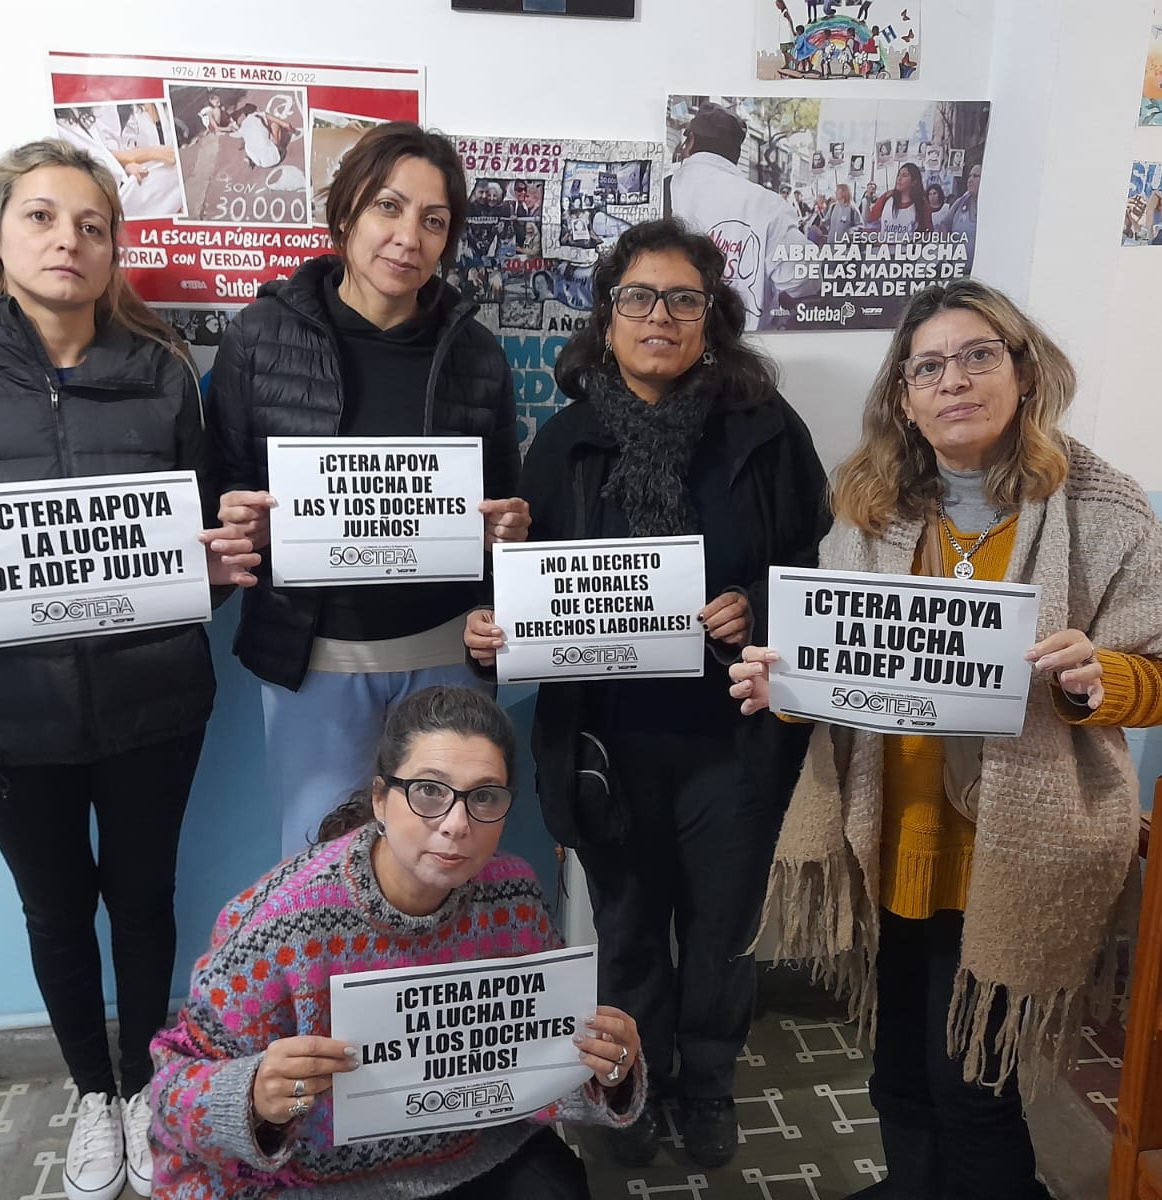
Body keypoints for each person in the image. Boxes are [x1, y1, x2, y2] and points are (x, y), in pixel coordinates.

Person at [729, 278, 1162, 1200]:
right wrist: (784, 690)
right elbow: (833, 671)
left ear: (1024, 371)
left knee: (974, 1091)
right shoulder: (869, 508)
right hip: (892, 835)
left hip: (1018, 849)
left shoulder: (1101, 509)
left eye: (978, 356)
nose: (953, 381)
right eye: (928, 368)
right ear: (904, 399)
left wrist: (1102, 677)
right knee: (898, 1075)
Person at [0, 139, 261, 1200]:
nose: (67, 241)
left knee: (144, 900)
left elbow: (199, 534)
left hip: (155, 704)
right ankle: (94, 1094)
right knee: (55, 911)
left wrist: (219, 568)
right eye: (40, 217)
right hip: (5, 719)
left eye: (90, 225)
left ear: (114, 247)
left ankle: (148, 1089)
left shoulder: (163, 370)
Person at [465, 218, 829, 1169]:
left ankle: (706, 1085)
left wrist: (756, 607)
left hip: (733, 741)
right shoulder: (564, 443)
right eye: (637, 297)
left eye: (682, 299)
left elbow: (810, 571)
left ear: (713, 317)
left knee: (721, 932)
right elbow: (527, 595)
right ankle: (629, 1086)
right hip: (608, 745)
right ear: (607, 315)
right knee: (626, 933)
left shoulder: (768, 432)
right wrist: (492, 636)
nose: (658, 316)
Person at [149, 686, 645, 1198]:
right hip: (315, 1179)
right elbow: (170, 1091)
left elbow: (543, 1055)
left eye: (484, 797)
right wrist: (253, 1098)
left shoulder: (513, 894)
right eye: (429, 791)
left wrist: (606, 1071)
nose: (456, 824)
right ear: (381, 799)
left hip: (472, 1150)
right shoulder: (282, 923)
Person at [206, 123, 529, 858]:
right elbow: (221, 481)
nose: (408, 237)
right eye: (389, 206)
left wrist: (507, 531)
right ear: (347, 209)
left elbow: (503, 506)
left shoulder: (477, 353)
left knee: (445, 861)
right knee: (320, 869)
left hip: (447, 654)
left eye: (433, 220)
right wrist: (237, 518)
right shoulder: (258, 337)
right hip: (315, 657)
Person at [667, 104, 818, 331]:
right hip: (738, 344)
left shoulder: (659, 189)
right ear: (736, 154)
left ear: (690, 140)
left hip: (666, 338)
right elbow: (802, 279)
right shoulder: (767, 205)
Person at [867, 162, 932, 234]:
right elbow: (870, 222)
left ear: (914, 182)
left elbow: (927, 233)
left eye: (904, 175)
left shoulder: (922, 205)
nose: (899, 178)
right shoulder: (886, 198)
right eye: (898, 175)